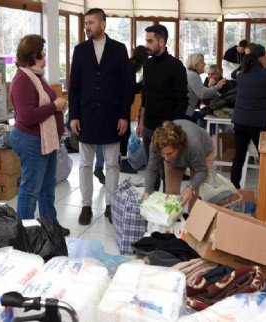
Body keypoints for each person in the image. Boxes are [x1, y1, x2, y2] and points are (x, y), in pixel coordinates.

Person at [68, 8, 132, 225]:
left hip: (112, 115)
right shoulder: (80, 50)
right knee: (85, 163)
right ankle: (86, 206)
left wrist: (124, 115)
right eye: (85, 23)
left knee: (112, 164)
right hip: (85, 115)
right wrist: (73, 116)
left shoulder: (119, 49)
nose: (87, 27)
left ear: (103, 24)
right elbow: (73, 86)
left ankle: (111, 206)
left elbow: (127, 86)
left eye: (91, 23)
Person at [9, 34, 70, 236]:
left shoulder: (36, 75)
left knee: (47, 188)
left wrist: (57, 105)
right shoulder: (22, 80)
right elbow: (27, 116)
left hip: (44, 139)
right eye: (41, 53)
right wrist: (55, 106)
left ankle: (50, 228)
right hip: (31, 140)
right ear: (32, 55)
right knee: (31, 190)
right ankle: (26, 233)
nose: (45, 56)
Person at [136, 24, 189, 191]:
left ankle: (167, 209)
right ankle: (151, 206)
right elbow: (145, 97)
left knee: (168, 172)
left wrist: (172, 129)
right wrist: (141, 122)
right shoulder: (148, 65)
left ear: (162, 41)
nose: (146, 45)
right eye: (146, 40)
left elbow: (182, 100)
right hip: (149, 127)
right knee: (151, 170)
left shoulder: (176, 66)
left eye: (150, 41)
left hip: (167, 129)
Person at [144, 120, 214, 211]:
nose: (165, 158)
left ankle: (193, 222)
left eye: (169, 154)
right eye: (163, 154)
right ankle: (171, 221)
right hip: (181, 154)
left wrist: (190, 188)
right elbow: (151, 169)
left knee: (195, 194)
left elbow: (202, 171)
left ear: (179, 147)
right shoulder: (157, 145)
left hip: (203, 151)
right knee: (171, 193)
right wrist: (147, 191)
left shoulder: (193, 144)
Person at [230, 44, 266, 189]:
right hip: (259, 122)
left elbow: (233, 76)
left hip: (240, 121)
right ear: (262, 57)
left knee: (239, 157)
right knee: (264, 158)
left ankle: (233, 188)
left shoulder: (242, 75)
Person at [119, 45, 149, 174]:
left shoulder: (130, 64)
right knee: (123, 132)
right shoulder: (130, 65)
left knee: (123, 132)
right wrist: (142, 85)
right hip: (122, 103)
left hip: (124, 102)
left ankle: (120, 158)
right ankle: (123, 160)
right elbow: (128, 85)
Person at [185, 53, 226, 119]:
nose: (204, 64)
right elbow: (203, 94)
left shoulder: (189, 74)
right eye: (202, 62)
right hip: (185, 111)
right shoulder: (193, 75)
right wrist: (217, 86)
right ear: (195, 64)